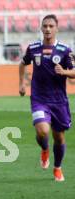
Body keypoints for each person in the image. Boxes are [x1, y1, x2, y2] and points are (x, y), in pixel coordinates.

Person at [19, 14, 75, 182]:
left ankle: (57, 167)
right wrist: (22, 84)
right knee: (43, 131)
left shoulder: (65, 50)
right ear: (41, 28)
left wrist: (64, 72)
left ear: (57, 28)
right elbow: (22, 64)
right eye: (45, 26)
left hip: (59, 101)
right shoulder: (34, 48)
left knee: (59, 137)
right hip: (39, 98)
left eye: (51, 26)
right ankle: (44, 149)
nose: (48, 29)